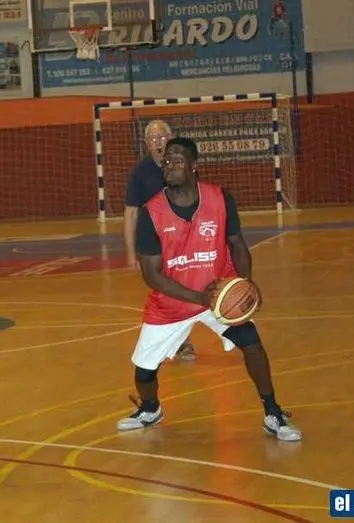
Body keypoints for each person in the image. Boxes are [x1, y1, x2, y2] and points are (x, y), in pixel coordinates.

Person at [116, 137, 302, 442]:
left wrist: (244, 282)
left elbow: (238, 245)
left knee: (253, 345)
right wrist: (198, 298)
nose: (169, 167)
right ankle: (150, 409)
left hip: (219, 293)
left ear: (194, 166)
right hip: (173, 302)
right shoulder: (151, 212)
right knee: (144, 371)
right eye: (166, 162)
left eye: (177, 161)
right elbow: (151, 274)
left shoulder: (220, 199)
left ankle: (273, 412)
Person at [124, 120, 197, 362]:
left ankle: (184, 338)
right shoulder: (140, 174)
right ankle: (180, 342)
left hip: (182, 240)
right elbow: (131, 213)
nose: (158, 143)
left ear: (171, 137)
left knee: (185, 289)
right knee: (169, 290)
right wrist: (131, 252)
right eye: (153, 139)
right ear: (146, 143)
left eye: (162, 137)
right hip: (155, 244)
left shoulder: (182, 167)